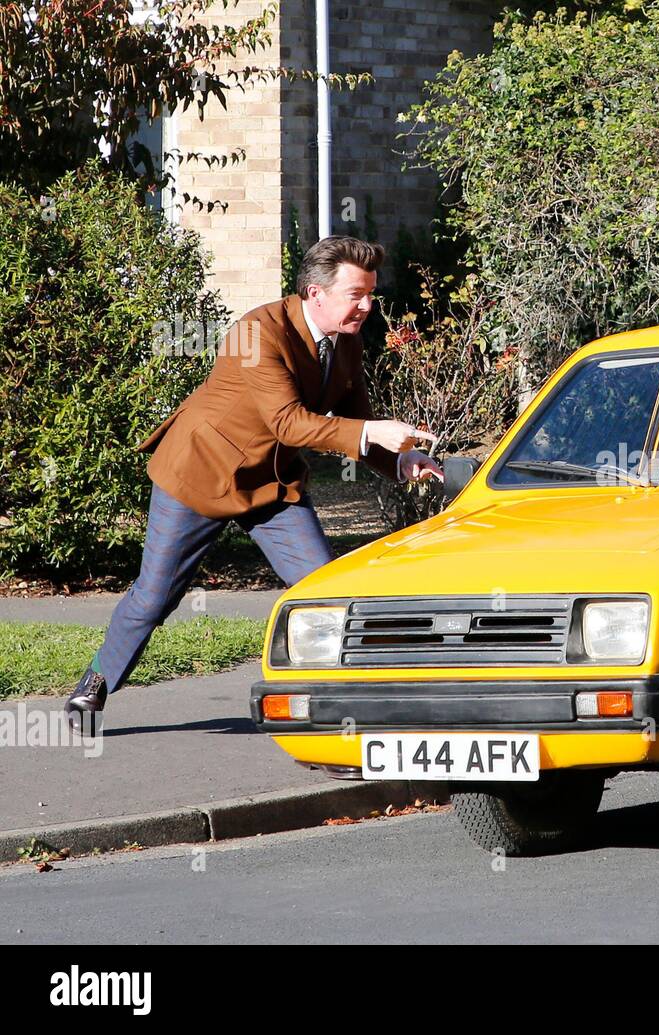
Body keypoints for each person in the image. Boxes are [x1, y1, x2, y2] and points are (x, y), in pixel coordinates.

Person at [64, 236, 442, 731]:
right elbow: (290, 423)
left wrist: (400, 461)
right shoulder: (258, 332)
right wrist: (374, 433)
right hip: (200, 473)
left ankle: (353, 701)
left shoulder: (346, 341)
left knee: (322, 588)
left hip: (273, 484)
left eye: (371, 294)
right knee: (157, 595)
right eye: (356, 294)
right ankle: (95, 681)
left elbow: (354, 420)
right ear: (316, 293)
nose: (367, 306)